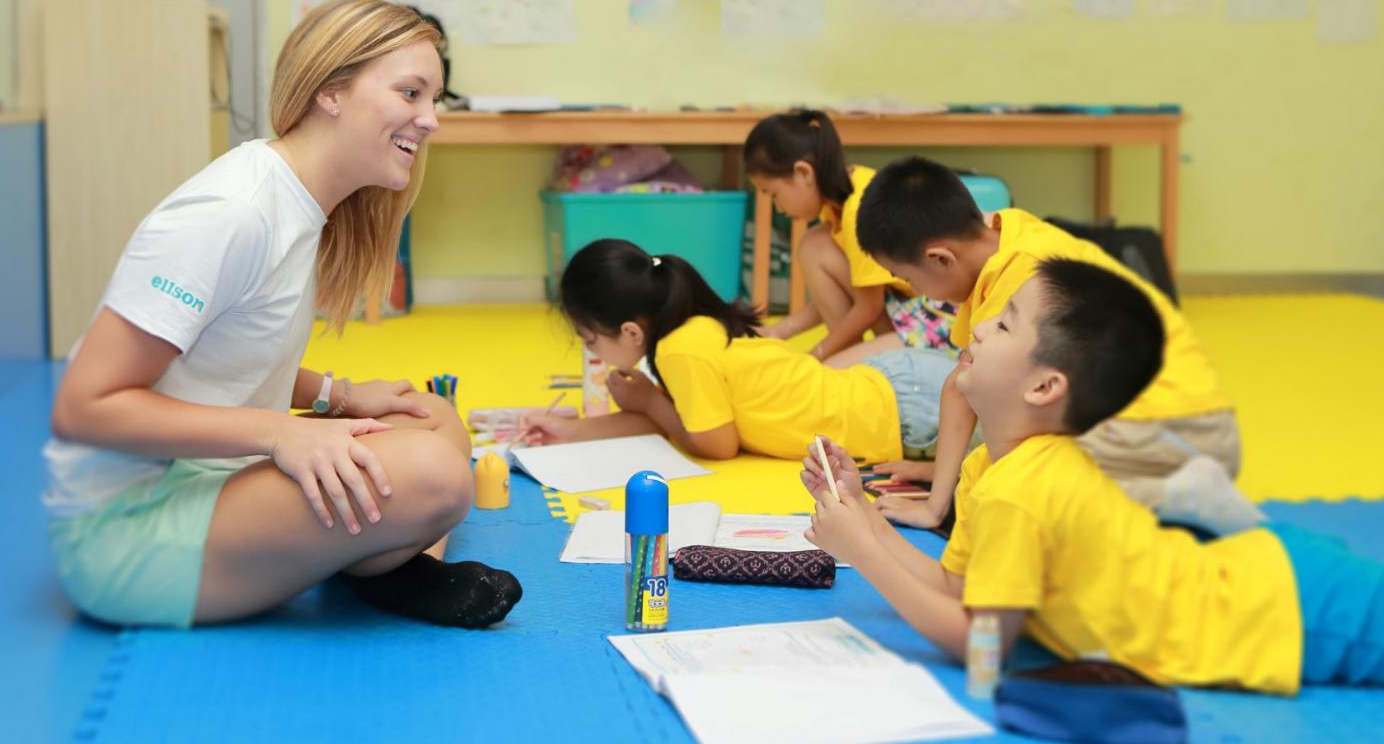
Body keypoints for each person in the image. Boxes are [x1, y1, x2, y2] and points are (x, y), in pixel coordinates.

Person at [44, 0, 521, 630]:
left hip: (216, 480)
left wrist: (337, 396)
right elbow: (85, 406)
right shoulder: (234, 213)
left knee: (429, 416)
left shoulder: (302, 204)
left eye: (435, 99)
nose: (430, 120)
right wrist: (280, 433)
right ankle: (379, 565)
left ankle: (380, 568)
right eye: (410, 93)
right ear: (331, 91)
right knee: (436, 474)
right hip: (128, 533)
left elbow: (222, 356)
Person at [804, 258, 1384, 695]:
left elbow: (981, 650)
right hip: (1263, 575)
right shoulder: (992, 466)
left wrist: (863, 549)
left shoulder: (1022, 489)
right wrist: (864, 520)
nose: (977, 331)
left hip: (1292, 610)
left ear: (1043, 387)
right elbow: (960, 593)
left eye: (1004, 326)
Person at [854, 155, 1260, 535]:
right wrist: (947, 469)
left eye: (908, 278)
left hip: (1178, 433)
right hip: (1157, 418)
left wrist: (934, 507)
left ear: (941, 258)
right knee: (989, 456)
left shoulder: (1021, 269)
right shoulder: (1003, 231)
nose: (917, 293)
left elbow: (963, 387)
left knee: (1016, 481)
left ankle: (1178, 498)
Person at [518, 239, 958, 466]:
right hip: (893, 385)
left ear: (631, 331)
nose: (590, 351)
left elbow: (716, 443)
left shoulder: (679, 354)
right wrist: (570, 430)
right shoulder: (690, 327)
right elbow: (676, 420)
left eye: (590, 339)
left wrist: (648, 399)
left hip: (901, 415)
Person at [743, 110, 957, 364]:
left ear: (804, 173)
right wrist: (779, 331)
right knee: (815, 245)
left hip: (936, 319)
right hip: (904, 308)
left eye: (774, 194)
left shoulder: (859, 211)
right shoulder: (838, 205)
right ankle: (862, 355)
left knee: (828, 373)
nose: (778, 207)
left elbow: (868, 307)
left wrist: (816, 355)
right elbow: (850, 294)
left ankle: (883, 361)